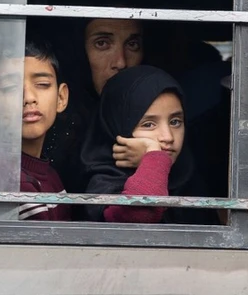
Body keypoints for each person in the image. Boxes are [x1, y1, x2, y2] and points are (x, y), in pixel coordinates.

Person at [83, 66, 196, 224]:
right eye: (148, 124)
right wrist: (154, 155)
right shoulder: (104, 183)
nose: (168, 137)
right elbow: (140, 215)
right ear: (117, 126)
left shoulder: (187, 177)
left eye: (175, 122)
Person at [0, 42, 72, 222]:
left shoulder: (50, 176)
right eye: (9, 88)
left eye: (42, 84)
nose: (29, 98)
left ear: (61, 98)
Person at [69, 18, 147, 193]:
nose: (121, 63)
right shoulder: (53, 128)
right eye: (102, 43)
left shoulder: (160, 124)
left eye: (132, 44)